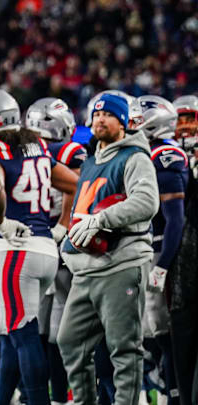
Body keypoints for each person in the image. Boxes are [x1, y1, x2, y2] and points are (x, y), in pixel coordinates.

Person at [0, 89, 78, 405]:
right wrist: (63, 223)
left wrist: (1, 223)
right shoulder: (36, 144)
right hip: (46, 249)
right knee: (15, 334)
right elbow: (74, 183)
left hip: (16, 249)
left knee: (23, 335)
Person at [57, 93, 160, 405]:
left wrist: (101, 219)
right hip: (86, 271)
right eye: (97, 114)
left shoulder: (135, 157)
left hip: (121, 264)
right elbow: (79, 213)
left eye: (109, 115)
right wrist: (67, 244)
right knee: (70, 342)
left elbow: (147, 202)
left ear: (123, 123)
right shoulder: (90, 162)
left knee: (124, 349)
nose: (101, 120)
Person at [25, 97, 86, 405]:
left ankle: (66, 393)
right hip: (44, 241)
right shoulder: (51, 151)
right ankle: (56, 394)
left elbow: (76, 192)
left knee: (56, 329)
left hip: (59, 244)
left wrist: (61, 228)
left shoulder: (71, 153)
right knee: (44, 329)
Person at [133, 95, 186, 405]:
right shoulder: (144, 153)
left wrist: (162, 265)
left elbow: (175, 221)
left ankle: (173, 392)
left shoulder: (165, 156)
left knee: (160, 326)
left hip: (160, 251)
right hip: (145, 250)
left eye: (137, 119)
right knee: (145, 328)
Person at [169, 94, 198, 405]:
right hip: (179, 265)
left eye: (191, 118)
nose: (185, 126)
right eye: (179, 119)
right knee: (179, 339)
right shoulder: (162, 155)